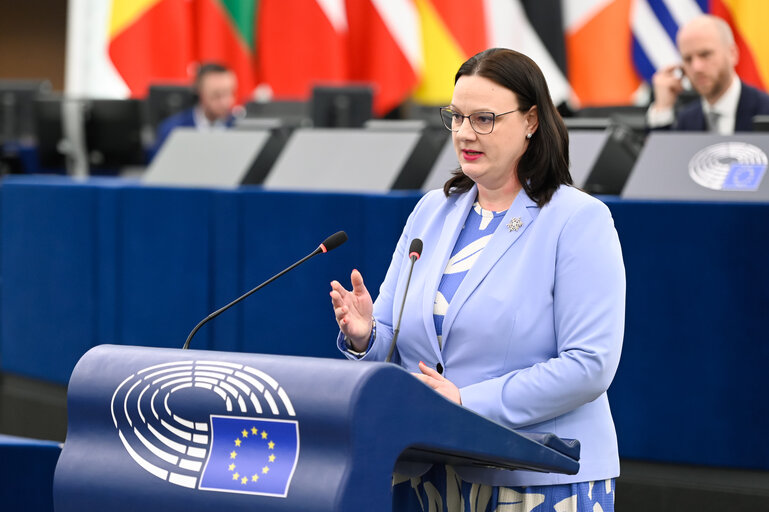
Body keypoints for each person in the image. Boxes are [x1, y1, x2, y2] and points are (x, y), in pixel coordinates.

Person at [329, 48, 625, 512]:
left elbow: (589, 365)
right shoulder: (432, 211)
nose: (465, 133)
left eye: (484, 118)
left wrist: (465, 401)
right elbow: (397, 341)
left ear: (531, 120)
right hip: (426, 471)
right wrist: (367, 336)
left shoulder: (578, 220)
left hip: (537, 477)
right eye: (457, 117)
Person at [648, 14, 769, 134]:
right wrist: (663, 108)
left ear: (732, 54)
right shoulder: (685, 121)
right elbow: (665, 152)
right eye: (688, 59)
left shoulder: (765, 110)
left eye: (705, 54)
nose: (696, 67)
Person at [150, 62, 238, 158]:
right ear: (199, 91)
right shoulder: (173, 130)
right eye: (216, 95)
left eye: (230, 93)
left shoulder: (240, 128)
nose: (225, 102)